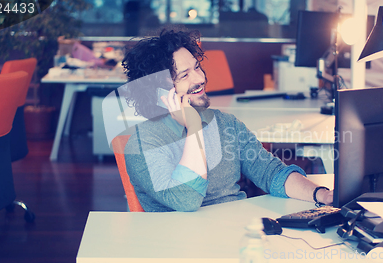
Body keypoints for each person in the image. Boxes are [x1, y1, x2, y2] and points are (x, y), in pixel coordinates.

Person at [121, 27, 333, 212]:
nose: (200, 78)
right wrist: (194, 126)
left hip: (234, 234)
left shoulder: (226, 124)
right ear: (160, 92)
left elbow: (271, 173)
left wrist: (321, 195)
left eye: (196, 67)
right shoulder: (144, 143)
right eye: (184, 75)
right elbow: (187, 200)